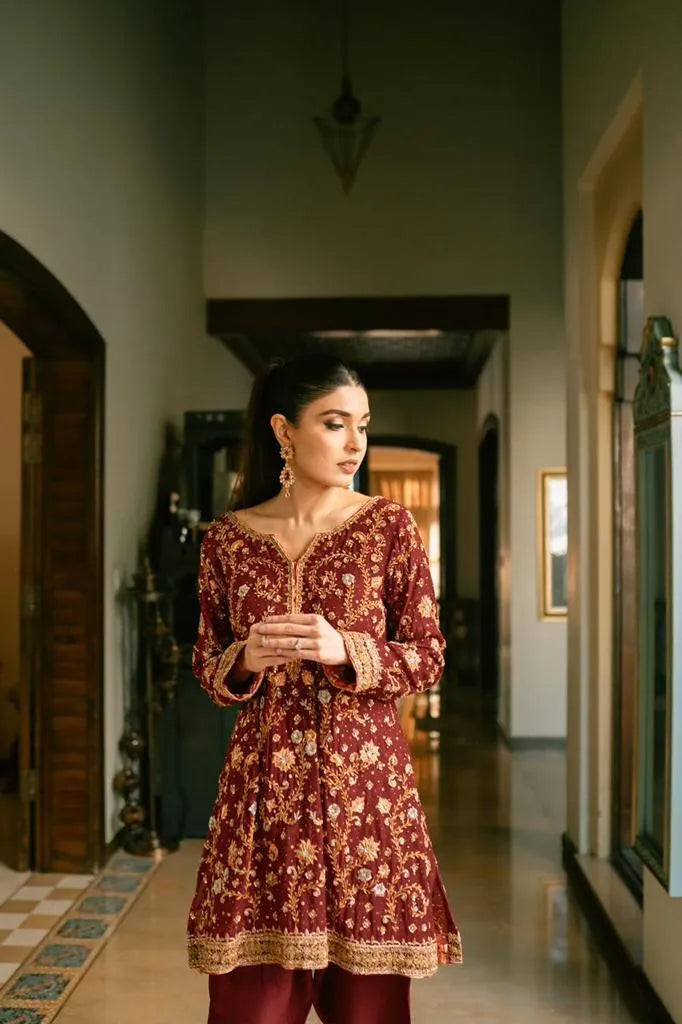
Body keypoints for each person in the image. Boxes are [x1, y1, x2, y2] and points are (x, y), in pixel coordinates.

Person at [187, 355, 462, 1024]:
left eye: (362, 425)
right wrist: (243, 659)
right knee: (249, 1010)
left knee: (369, 1012)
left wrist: (350, 651)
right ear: (284, 431)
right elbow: (205, 662)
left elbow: (428, 657)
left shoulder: (388, 529)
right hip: (262, 805)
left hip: (367, 803)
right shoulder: (227, 541)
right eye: (334, 424)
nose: (355, 442)